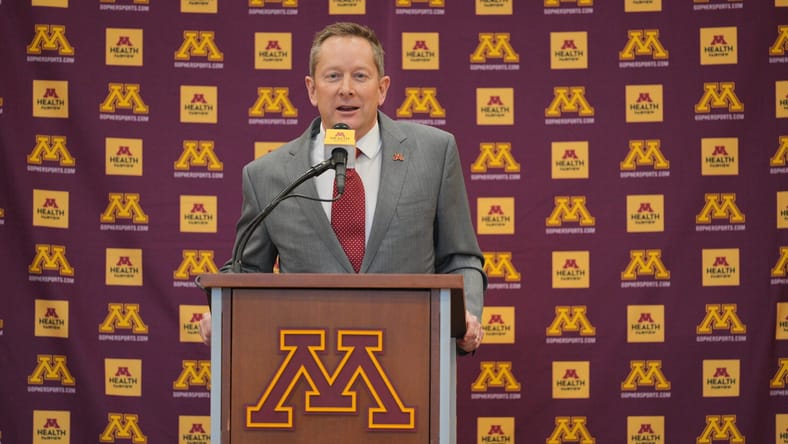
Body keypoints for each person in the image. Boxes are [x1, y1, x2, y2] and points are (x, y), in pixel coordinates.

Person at [199, 22, 486, 353]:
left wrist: (467, 315)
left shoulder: (434, 153)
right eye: (333, 76)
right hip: (306, 368)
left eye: (360, 76)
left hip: (412, 358)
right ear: (311, 88)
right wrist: (220, 310)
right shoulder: (268, 174)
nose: (346, 89)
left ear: (382, 88)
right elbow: (246, 271)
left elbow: (460, 257)